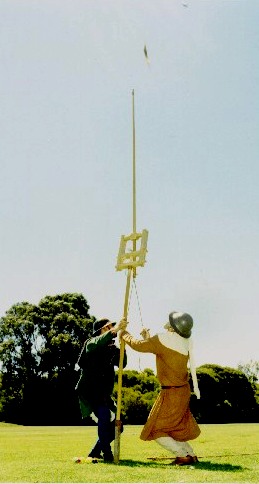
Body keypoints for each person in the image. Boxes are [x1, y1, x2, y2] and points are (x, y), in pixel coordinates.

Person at [120, 311, 201, 466]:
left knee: (155, 429)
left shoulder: (163, 339)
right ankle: (190, 454)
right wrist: (148, 338)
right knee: (174, 427)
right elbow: (161, 351)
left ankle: (183, 455)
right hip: (181, 391)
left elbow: (138, 346)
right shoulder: (182, 341)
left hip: (171, 392)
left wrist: (124, 334)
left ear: (172, 326)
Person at [75, 318, 127, 463]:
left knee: (118, 426)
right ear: (99, 331)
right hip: (89, 392)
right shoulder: (91, 342)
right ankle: (107, 454)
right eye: (107, 327)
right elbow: (96, 344)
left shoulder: (112, 348)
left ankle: (95, 452)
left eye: (111, 326)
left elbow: (122, 364)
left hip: (104, 394)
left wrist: (123, 345)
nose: (111, 329)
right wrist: (116, 329)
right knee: (104, 416)